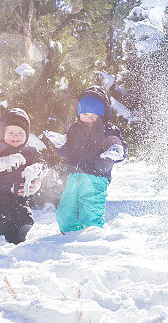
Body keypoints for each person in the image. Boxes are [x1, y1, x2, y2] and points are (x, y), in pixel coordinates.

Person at [52, 86, 126, 233]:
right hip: (74, 177)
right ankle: (70, 234)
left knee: (91, 212)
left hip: (97, 177)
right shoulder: (74, 129)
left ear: (103, 114)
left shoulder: (108, 130)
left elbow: (116, 143)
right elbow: (68, 152)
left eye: (94, 114)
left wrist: (116, 150)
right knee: (65, 212)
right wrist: (60, 145)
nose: (89, 118)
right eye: (85, 113)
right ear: (79, 113)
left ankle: (93, 239)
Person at [0, 108, 46, 246]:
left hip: (19, 200)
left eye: (21, 133)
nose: (16, 136)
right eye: (11, 133)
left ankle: (16, 243)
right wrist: (3, 161)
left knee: (24, 221)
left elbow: (44, 165)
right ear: (3, 133)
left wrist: (36, 170)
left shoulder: (31, 151)